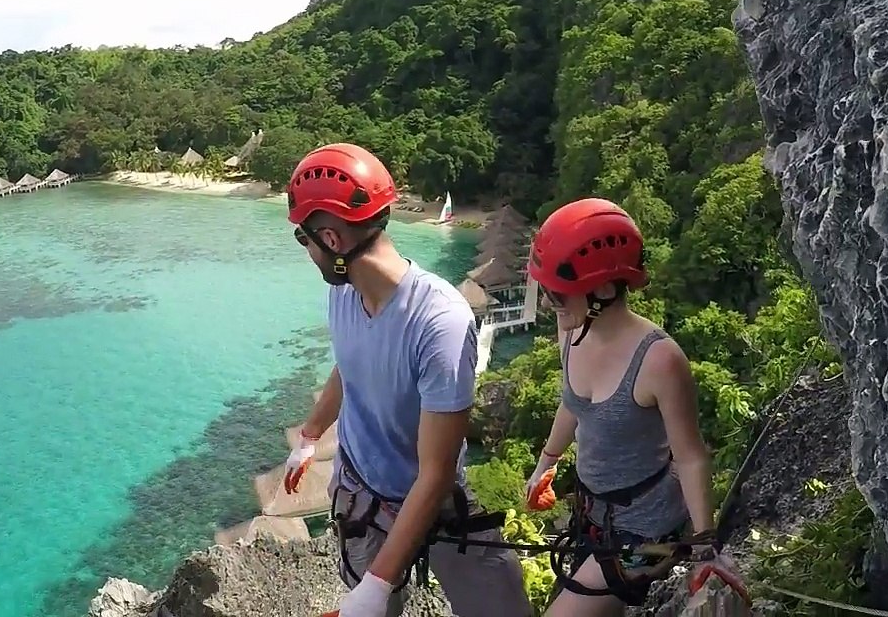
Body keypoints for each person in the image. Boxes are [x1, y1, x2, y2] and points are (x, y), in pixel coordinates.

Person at [281, 143, 533, 617]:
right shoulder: (345, 294)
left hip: (433, 499)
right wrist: (311, 436)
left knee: (504, 606)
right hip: (362, 495)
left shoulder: (439, 321)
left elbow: (435, 474)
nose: (306, 251)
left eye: (304, 238)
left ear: (332, 240)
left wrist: (376, 586)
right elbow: (349, 363)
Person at [522, 197, 718, 617]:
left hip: (648, 530)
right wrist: (547, 462)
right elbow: (573, 404)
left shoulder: (659, 360)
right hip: (593, 517)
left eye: (556, 294)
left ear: (604, 291)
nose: (547, 304)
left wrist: (705, 546)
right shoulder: (571, 330)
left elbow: (690, 456)